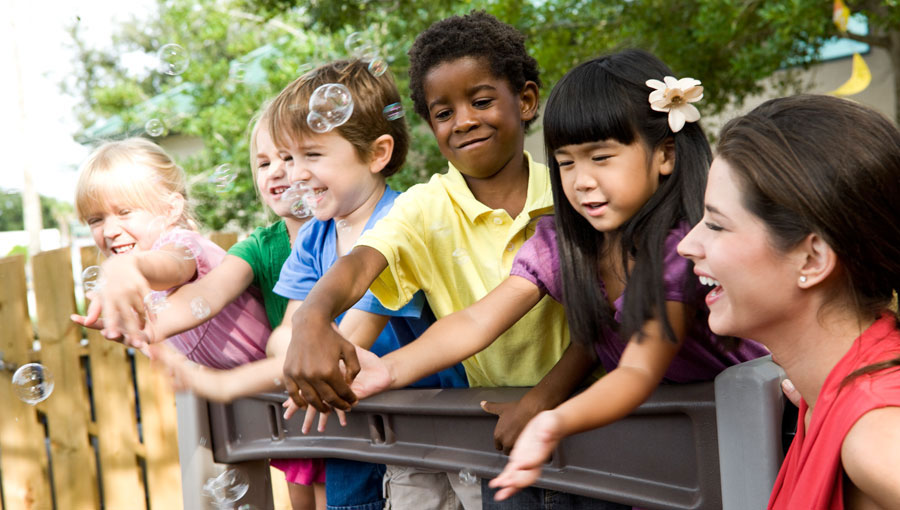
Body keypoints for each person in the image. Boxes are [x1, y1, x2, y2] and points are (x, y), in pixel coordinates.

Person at [342, 49, 769, 503]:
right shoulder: (562, 241)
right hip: (663, 444)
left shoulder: (678, 250)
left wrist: (552, 417)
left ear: (664, 154)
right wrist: (387, 369)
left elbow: (638, 371)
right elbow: (476, 321)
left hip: (747, 431)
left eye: (601, 157)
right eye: (566, 162)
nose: (581, 180)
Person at [283, 11, 625, 510]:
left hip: (602, 425)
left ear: (526, 100)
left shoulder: (573, 188)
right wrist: (313, 317)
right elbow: (360, 263)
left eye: (482, 100)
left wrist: (545, 397)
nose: (463, 120)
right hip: (497, 434)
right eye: (443, 113)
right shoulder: (423, 208)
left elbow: (607, 321)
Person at [73, 107, 327, 509]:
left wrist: (132, 266)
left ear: (172, 208)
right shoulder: (148, 282)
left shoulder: (182, 246)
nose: (108, 229)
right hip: (256, 403)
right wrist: (141, 326)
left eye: (124, 212)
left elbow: (172, 269)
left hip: (291, 387)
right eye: (95, 218)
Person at [676, 94, 900, 509]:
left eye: (717, 225)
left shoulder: (876, 438)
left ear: (813, 259)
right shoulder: (825, 395)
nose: (688, 245)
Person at [266, 59, 468, 510]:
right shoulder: (314, 235)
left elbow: (353, 336)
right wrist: (293, 354)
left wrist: (302, 359)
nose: (294, 174)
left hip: (434, 423)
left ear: (377, 153)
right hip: (353, 416)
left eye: (312, 155)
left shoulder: (400, 224)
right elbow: (288, 331)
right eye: (288, 158)